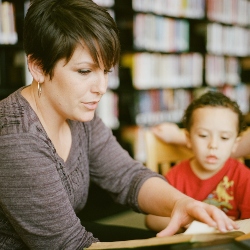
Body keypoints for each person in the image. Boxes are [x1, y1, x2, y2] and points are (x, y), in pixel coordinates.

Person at [0, 1, 238, 249]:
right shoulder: (16, 137)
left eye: (105, 70)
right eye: (84, 71)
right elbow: (68, 245)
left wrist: (181, 203)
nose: (101, 88)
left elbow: (128, 177)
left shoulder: (77, 115)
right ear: (38, 67)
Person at [146, 91, 250, 233]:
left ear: (235, 144)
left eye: (224, 138)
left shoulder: (243, 177)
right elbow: (151, 219)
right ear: (188, 138)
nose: (213, 145)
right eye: (203, 135)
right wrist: (192, 223)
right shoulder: (177, 175)